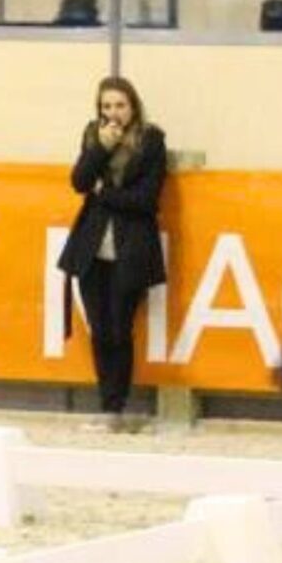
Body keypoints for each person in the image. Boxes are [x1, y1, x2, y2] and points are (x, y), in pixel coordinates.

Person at [58, 76, 167, 430]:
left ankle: (117, 406)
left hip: (131, 249)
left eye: (120, 105)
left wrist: (104, 194)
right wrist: (101, 150)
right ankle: (108, 405)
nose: (113, 113)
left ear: (133, 106)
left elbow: (146, 200)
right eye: (106, 106)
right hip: (91, 249)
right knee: (100, 329)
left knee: (120, 329)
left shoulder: (151, 140)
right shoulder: (93, 136)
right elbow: (79, 182)